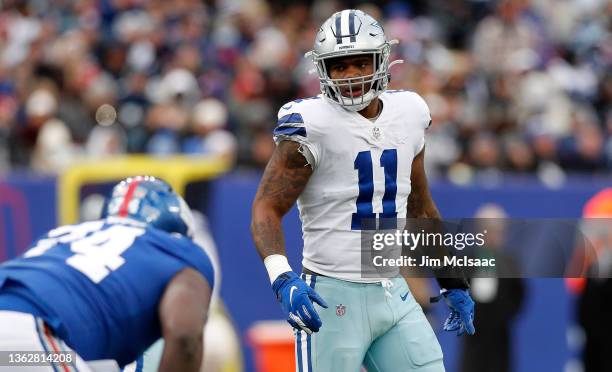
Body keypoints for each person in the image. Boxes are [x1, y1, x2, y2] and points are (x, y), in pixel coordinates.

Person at [251, 9, 475, 372]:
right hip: (330, 295)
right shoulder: (311, 125)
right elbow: (266, 208)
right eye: (339, 66)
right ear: (323, 71)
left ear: (383, 60)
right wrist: (281, 276)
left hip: (392, 290)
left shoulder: (410, 112)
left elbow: (419, 207)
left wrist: (451, 279)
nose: (351, 74)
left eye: (360, 62)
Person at [0, 176, 214, 372]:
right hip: (29, 333)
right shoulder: (178, 251)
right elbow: (185, 338)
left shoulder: (64, 235)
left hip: (17, 352)